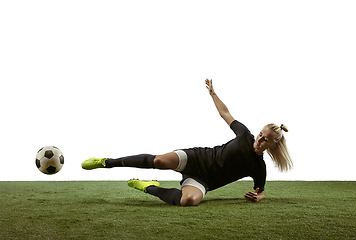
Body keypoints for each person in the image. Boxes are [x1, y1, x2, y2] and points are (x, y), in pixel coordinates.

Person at [81, 79, 293, 207]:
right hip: (197, 158)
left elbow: (261, 191)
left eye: (266, 140)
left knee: (188, 201)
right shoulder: (243, 134)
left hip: (204, 180)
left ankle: (148, 186)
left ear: (272, 146)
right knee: (160, 160)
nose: (260, 139)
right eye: (260, 134)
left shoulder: (259, 167)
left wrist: (258, 197)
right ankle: (106, 162)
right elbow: (225, 113)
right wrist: (213, 93)